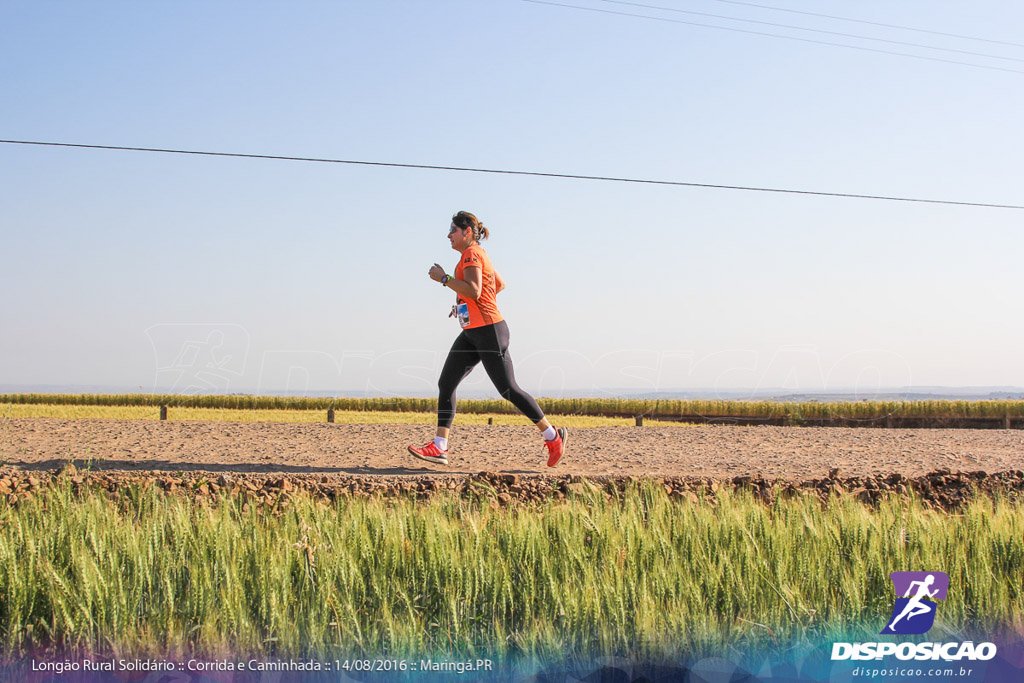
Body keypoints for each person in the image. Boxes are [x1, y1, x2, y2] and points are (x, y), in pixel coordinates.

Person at [408, 211, 567, 467]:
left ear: (467, 231)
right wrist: (464, 304)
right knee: (446, 382)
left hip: (489, 331)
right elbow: (498, 284)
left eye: (452, 229)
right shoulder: (474, 256)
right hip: (473, 332)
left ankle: (553, 435)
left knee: (508, 390)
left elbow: (475, 289)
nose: (448, 235)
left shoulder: (472, 254)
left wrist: (445, 279)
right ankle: (440, 446)